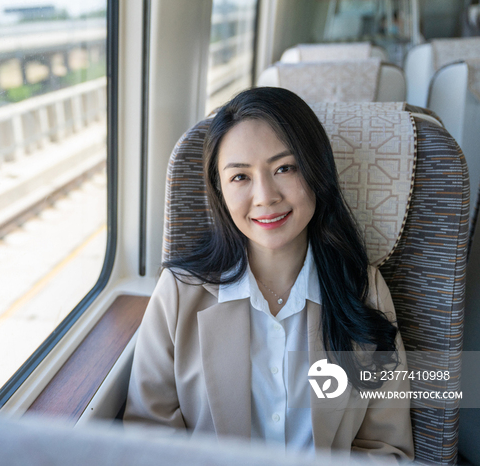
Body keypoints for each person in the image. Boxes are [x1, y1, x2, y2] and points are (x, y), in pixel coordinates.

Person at [123, 87, 414, 462]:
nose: (265, 196)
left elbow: (387, 449)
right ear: (220, 191)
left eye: (284, 168)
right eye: (240, 177)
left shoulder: (365, 290)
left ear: (316, 171)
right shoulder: (178, 293)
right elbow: (149, 436)